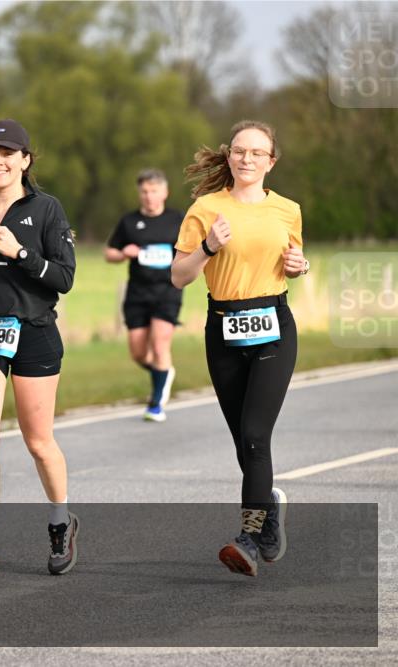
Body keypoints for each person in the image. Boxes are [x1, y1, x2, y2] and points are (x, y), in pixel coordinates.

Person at [171, 120, 308, 577]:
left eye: (256, 153)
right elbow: (179, 276)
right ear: (229, 156)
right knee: (243, 444)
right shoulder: (206, 208)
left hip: (273, 327)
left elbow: (292, 263)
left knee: (254, 436)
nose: (247, 159)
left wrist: (300, 266)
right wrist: (208, 247)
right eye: (239, 151)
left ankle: (249, 537)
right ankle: (269, 511)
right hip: (224, 329)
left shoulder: (287, 210)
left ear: (271, 162)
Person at [0, 120, 79, 577]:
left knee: (38, 442)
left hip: (34, 331)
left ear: (25, 160)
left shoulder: (46, 208)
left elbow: (64, 277)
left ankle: (61, 521)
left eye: (8, 153)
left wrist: (21, 254)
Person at [104, 169, 184, 422]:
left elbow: (192, 251)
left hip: (168, 291)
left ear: (165, 192)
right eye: (145, 192)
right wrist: (123, 253)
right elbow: (109, 253)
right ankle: (163, 372)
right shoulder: (129, 222)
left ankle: (156, 405)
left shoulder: (177, 220)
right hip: (137, 293)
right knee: (138, 353)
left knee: (160, 345)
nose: (149, 196)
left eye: (154, 191)